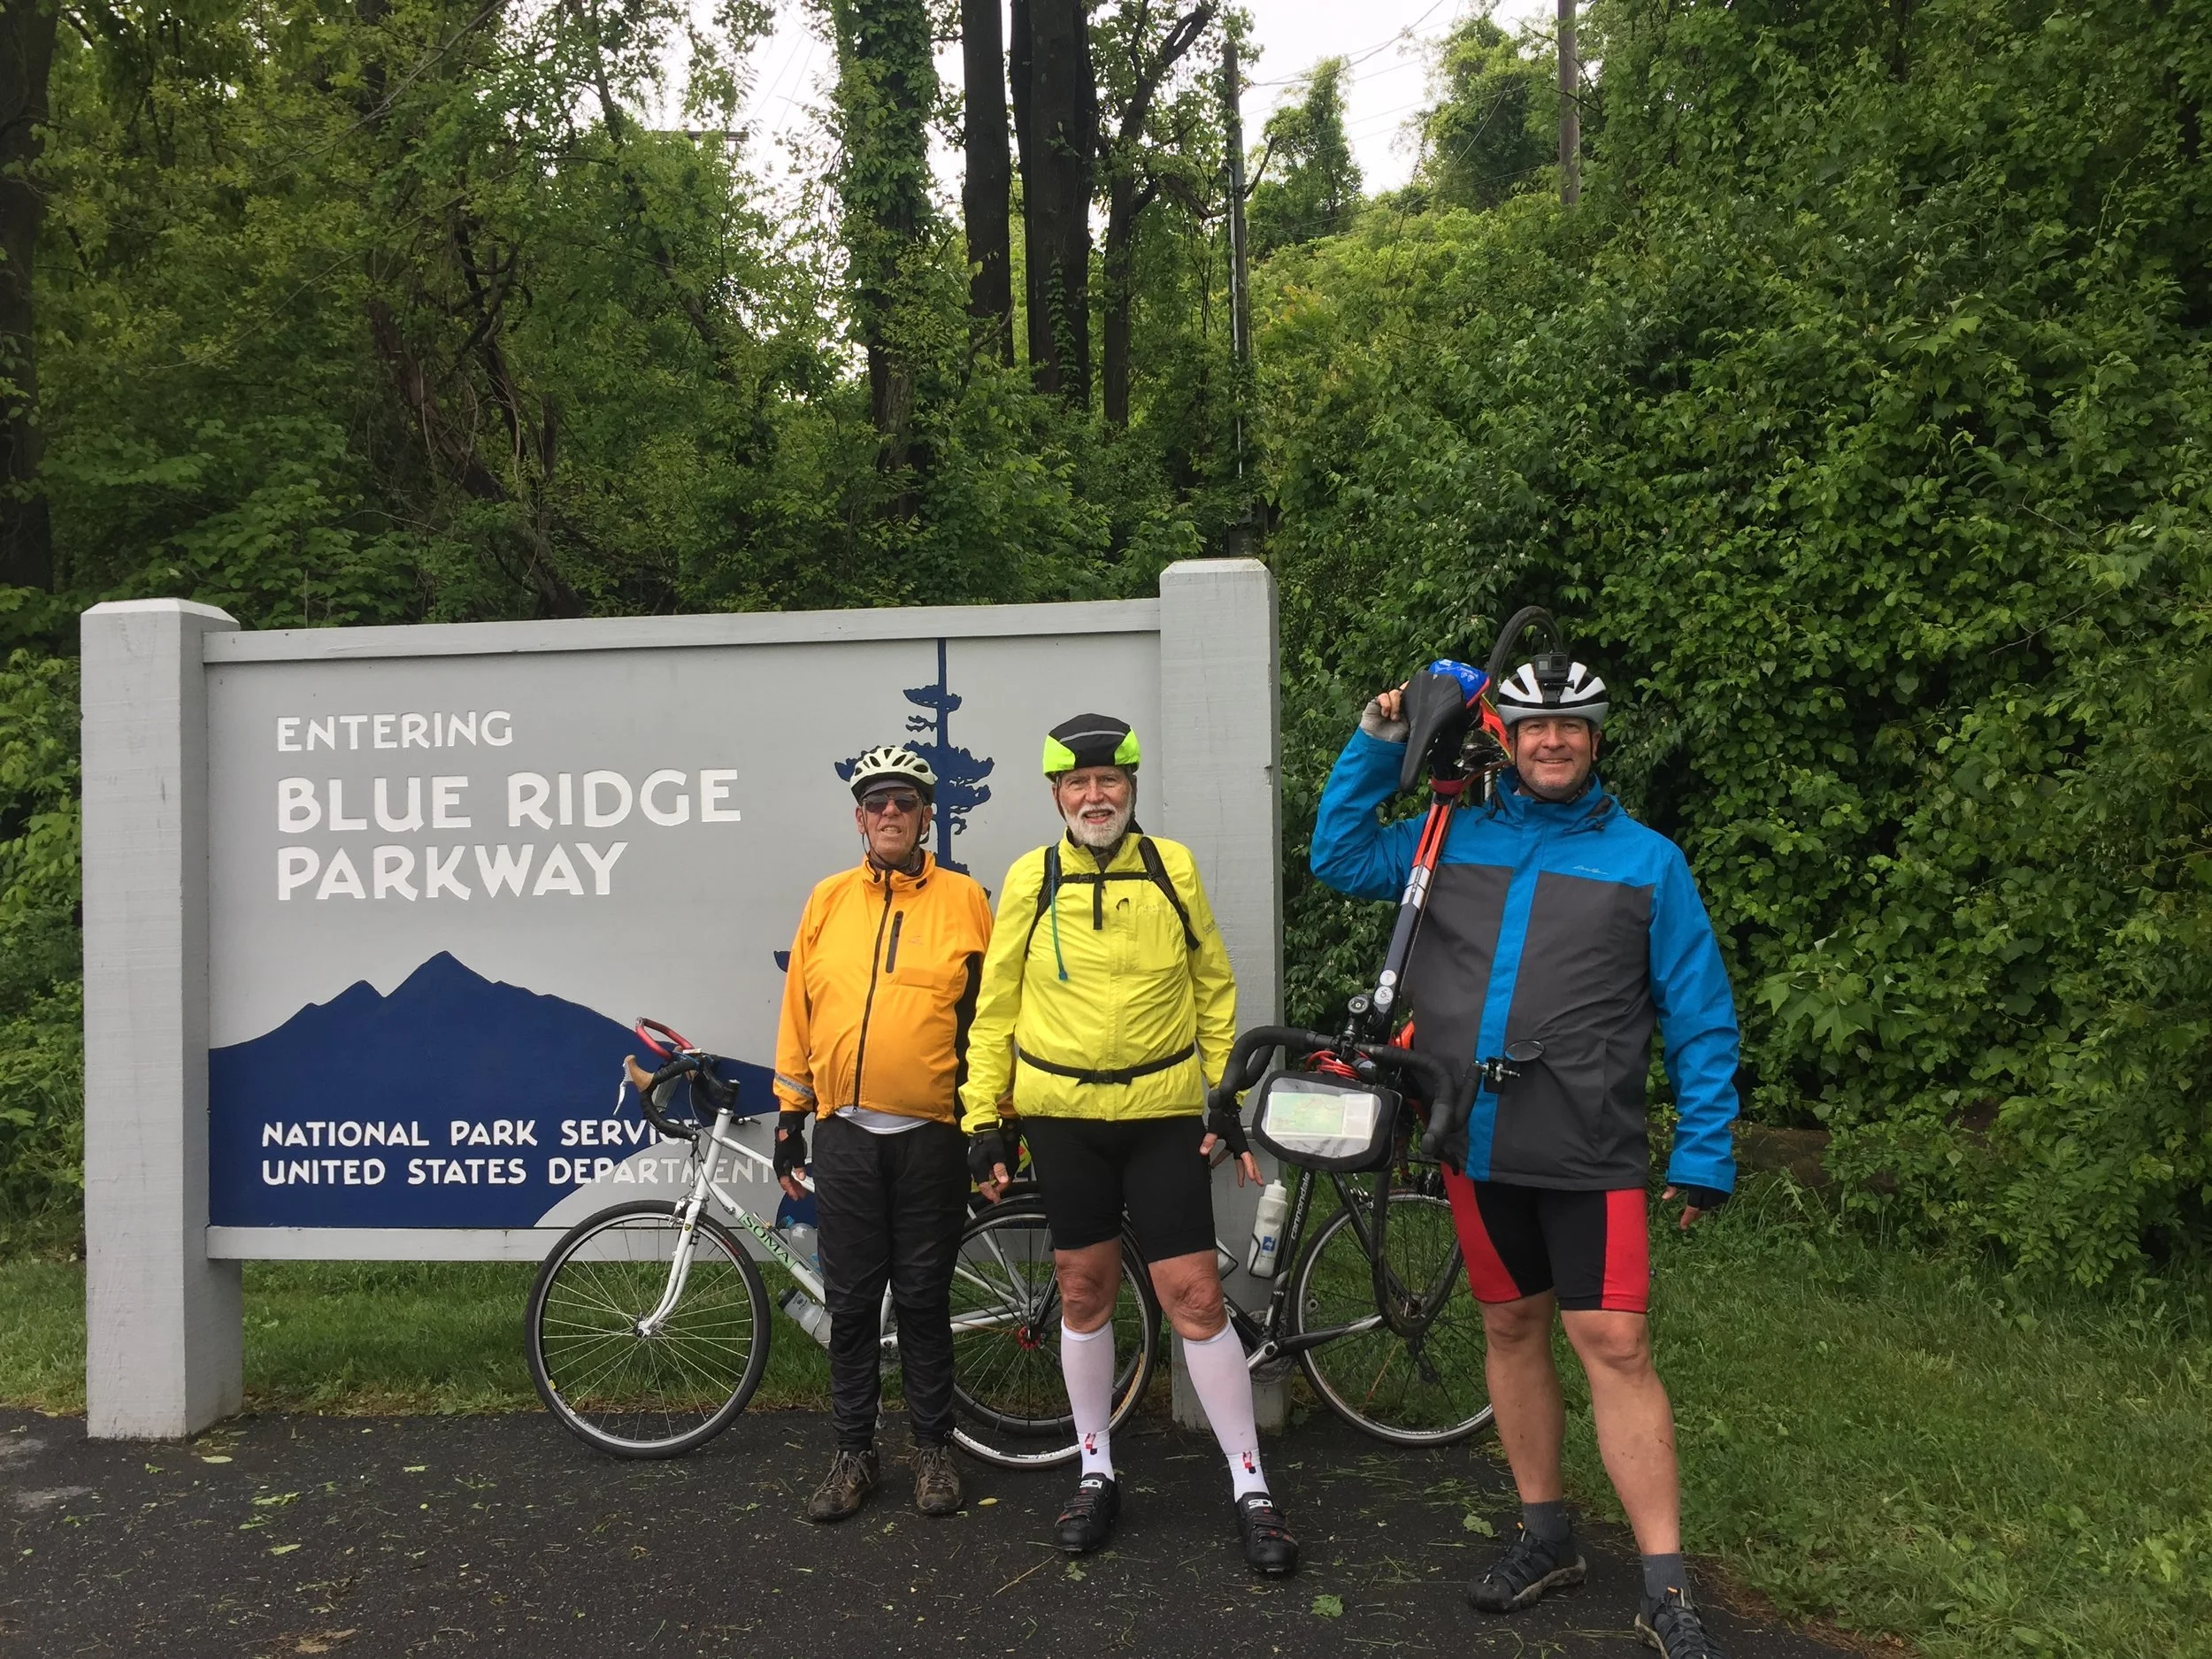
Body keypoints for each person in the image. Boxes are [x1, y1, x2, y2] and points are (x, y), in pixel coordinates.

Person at [1310, 657, 1740, 1659]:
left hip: (1589, 1145)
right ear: (1502, 734)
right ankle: (1545, 1536)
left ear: (1594, 739)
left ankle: (1666, 1586)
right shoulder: (1446, 837)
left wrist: (1707, 1148)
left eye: (1572, 728)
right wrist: (1380, 736)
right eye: (1533, 727)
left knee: (1616, 1346)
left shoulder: (1646, 863)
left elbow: (1700, 1013)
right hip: (1471, 1139)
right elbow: (1337, 854)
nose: (1553, 743)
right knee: (1509, 1328)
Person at [960, 714, 1299, 1578]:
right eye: (1078, 784)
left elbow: (1213, 986)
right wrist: (982, 1119)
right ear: (1056, 795)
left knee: (1192, 1295)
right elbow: (994, 1008)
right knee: (1082, 1289)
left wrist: (1227, 1099)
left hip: (1158, 1118)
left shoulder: (1168, 866)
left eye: (1109, 781)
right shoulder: (1031, 878)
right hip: (1062, 1120)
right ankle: (1096, 1469)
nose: (1094, 795)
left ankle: (1249, 1485)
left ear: (1131, 788)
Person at [770, 744, 995, 1524]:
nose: (890, 812)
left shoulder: (967, 899)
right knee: (854, 1301)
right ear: (859, 818)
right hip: (846, 1136)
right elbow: (801, 1011)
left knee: (926, 1300)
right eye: (876, 802)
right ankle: (854, 1454)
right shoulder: (828, 899)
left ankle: (934, 1450)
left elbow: (991, 1021)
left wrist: (992, 1122)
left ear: (927, 814)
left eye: (904, 800)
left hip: (932, 1134)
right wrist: (791, 1115)